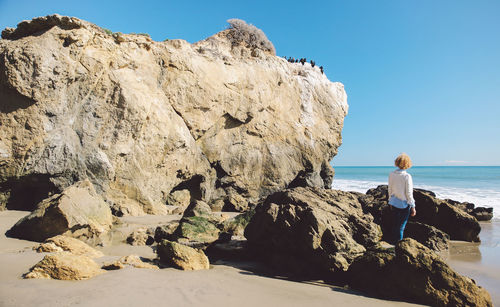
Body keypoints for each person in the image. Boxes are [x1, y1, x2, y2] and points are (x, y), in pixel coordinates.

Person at [388, 153, 416, 244]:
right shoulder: (407, 176)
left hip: (394, 202)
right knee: (401, 227)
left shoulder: (392, 174)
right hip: (404, 205)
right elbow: (409, 193)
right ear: (407, 164)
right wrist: (412, 206)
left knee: (395, 225)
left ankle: (393, 244)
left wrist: (390, 201)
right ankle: (398, 246)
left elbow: (390, 189)